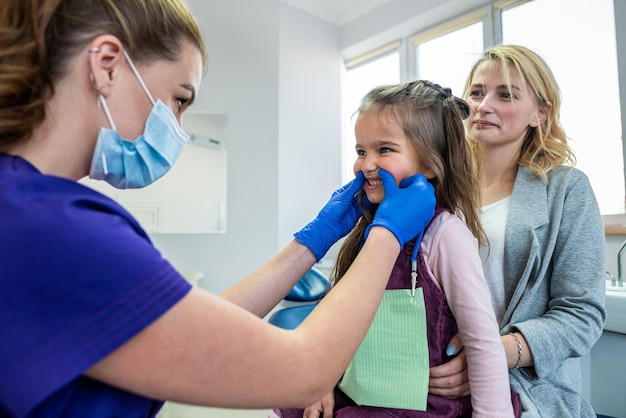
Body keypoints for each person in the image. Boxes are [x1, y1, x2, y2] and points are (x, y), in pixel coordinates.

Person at [0, 1, 438, 417]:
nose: (178, 127)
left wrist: (313, 240)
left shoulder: (20, 205)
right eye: (179, 99)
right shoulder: (55, 229)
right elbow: (303, 371)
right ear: (107, 64)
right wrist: (387, 233)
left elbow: (196, 332)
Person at [275, 80, 518, 418]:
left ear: (431, 165)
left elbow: (483, 344)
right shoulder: (365, 235)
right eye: (361, 151)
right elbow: (339, 327)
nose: (367, 164)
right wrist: (324, 380)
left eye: (384, 150)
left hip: (423, 405)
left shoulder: (445, 235)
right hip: (362, 390)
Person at [428, 44, 607, 417]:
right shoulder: (438, 187)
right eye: (476, 92)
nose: (482, 105)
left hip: (523, 386)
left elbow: (581, 315)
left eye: (505, 94)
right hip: (432, 375)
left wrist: (492, 353)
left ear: (540, 113)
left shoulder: (567, 189)